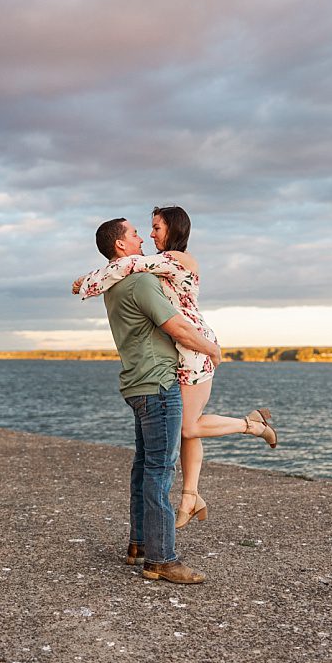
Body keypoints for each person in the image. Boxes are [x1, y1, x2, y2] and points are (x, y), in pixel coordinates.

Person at [73, 206, 277, 530]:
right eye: (147, 229)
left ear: (173, 229)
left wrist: (88, 281)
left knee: (187, 428)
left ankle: (254, 424)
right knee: (186, 426)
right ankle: (191, 495)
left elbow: (132, 263)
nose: (150, 234)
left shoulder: (180, 259)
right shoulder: (155, 265)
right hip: (178, 350)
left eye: (156, 227)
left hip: (195, 345)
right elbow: (129, 270)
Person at [91, 217, 221, 584]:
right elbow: (177, 326)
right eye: (134, 233)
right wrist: (212, 349)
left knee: (143, 467)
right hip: (159, 385)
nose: (141, 237)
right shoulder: (141, 281)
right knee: (159, 473)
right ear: (120, 245)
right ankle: (162, 559)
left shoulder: (112, 286)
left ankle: (138, 543)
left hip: (135, 384)